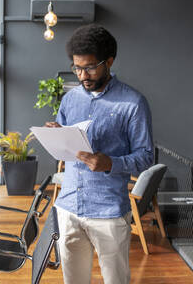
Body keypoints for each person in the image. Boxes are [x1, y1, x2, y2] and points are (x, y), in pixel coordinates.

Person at [45, 24, 154, 284]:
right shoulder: (70, 100)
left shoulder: (133, 103)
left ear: (109, 61)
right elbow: (64, 148)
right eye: (77, 67)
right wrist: (57, 134)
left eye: (90, 67)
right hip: (69, 207)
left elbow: (146, 157)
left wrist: (110, 163)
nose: (83, 75)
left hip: (108, 211)